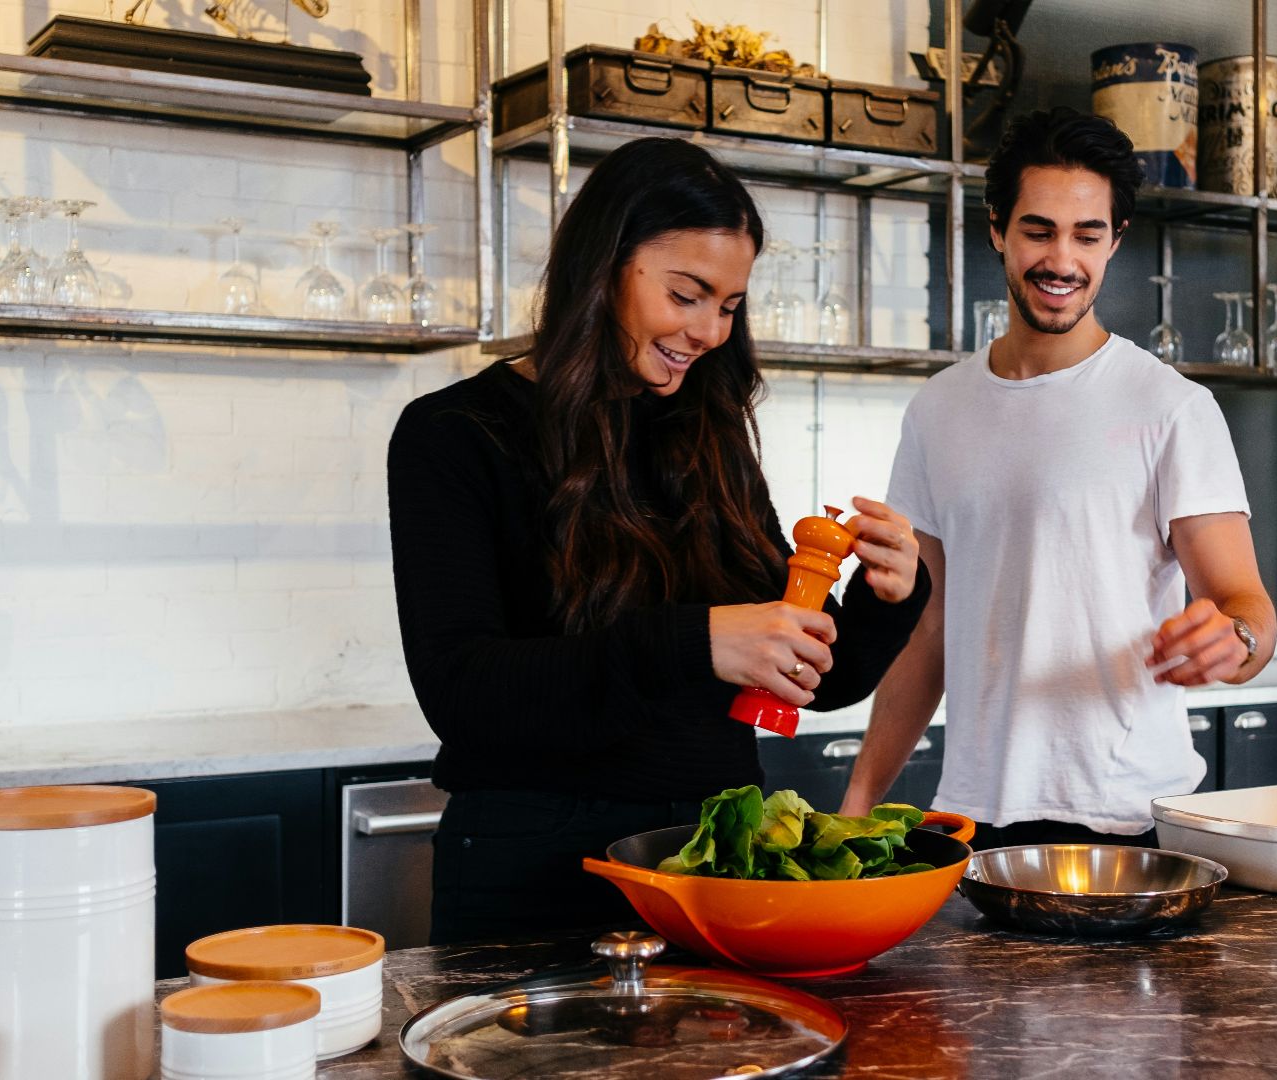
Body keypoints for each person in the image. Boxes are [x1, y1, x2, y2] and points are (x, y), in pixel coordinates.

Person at [387, 137, 930, 945]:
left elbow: (806, 681)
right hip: (533, 876)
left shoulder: (708, 434)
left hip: (715, 863)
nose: (710, 330)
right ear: (605, 265)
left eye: (730, 305)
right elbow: (463, 694)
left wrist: (886, 597)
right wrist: (696, 643)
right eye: (688, 294)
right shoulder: (454, 434)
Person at [840, 107, 1276, 849]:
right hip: (973, 819)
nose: (1062, 260)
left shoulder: (1171, 407)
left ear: (1116, 240)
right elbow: (928, 630)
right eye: (1038, 230)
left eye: (1087, 235)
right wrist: (856, 805)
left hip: (1128, 819)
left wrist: (1232, 641)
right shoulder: (939, 409)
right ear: (997, 229)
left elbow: (1247, 611)